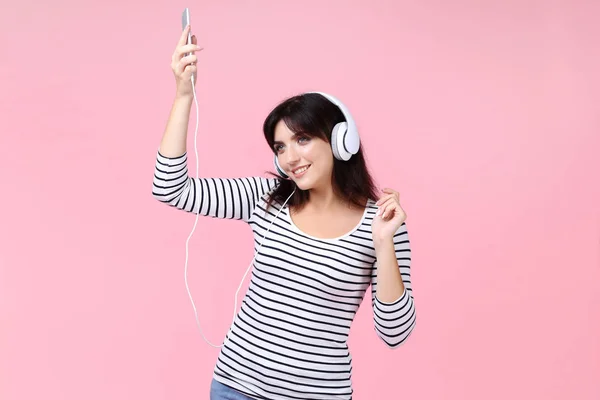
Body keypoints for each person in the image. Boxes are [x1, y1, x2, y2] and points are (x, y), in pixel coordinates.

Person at [152, 25, 417, 400]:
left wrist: (384, 244)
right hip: (234, 388)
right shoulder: (266, 200)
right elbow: (169, 187)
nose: (289, 158)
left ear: (343, 140)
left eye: (302, 139)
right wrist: (183, 94)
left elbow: (395, 333)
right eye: (280, 147)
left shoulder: (384, 225)